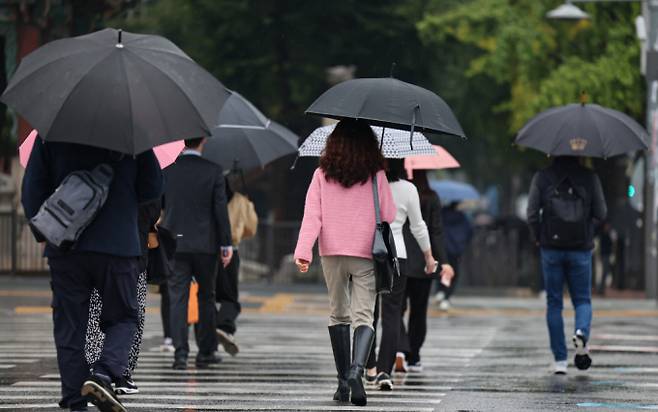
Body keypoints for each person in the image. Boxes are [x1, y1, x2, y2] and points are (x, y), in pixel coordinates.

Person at [22, 139, 163, 412]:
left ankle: (75, 399)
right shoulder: (133, 133)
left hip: (65, 244)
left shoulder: (52, 133)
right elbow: (152, 189)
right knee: (124, 316)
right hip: (118, 245)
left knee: (70, 325)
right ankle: (104, 373)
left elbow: (31, 190)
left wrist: (43, 230)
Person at [294, 119, 396, 407]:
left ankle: (342, 385)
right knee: (364, 316)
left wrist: (304, 251)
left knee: (339, 314)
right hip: (366, 252)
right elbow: (388, 214)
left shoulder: (321, 174)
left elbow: (312, 215)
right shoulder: (376, 174)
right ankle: (357, 370)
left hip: (332, 252)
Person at [364, 159, 441, 391]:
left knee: (368, 311)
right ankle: (384, 371)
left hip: (368, 252)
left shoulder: (367, 184)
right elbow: (418, 226)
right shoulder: (409, 189)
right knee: (392, 313)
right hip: (398, 256)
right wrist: (429, 256)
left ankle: (368, 365)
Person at [527, 156, 607, 375]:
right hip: (581, 247)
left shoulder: (542, 177)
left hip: (550, 247)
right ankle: (581, 332)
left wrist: (537, 236)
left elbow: (532, 213)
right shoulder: (590, 177)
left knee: (554, 303)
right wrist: (588, 232)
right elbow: (601, 213)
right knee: (582, 299)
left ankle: (560, 359)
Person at [161, 137, 233, 370]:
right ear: (203, 141)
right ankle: (205, 351)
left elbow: (159, 203)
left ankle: (180, 354)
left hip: (175, 242)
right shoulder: (214, 172)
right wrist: (226, 244)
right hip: (206, 244)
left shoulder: (168, 170)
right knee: (206, 297)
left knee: (177, 298)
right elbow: (220, 211)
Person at [85, 199, 161, 395]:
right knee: (130, 315)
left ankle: (94, 366)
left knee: (96, 310)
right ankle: (122, 373)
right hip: (133, 254)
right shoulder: (145, 174)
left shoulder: (95, 171)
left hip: (97, 252)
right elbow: (153, 210)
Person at [399, 170, 454, 372]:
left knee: (396, 309)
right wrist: (444, 261)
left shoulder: (397, 191)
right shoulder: (431, 197)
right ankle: (414, 357)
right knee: (419, 312)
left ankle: (400, 348)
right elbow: (436, 231)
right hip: (425, 262)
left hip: (400, 259)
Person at [215, 177, 258, 356]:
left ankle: (208, 332)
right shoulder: (240, 199)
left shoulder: (208, 195)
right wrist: (248, 206)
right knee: (230, 296)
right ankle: (224, 326)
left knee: (206, 295)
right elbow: (251, 228)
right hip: (231, 250)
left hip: (207, 250)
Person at [434, 201, 473, 310]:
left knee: (441, 271)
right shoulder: (462, 218)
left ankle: (440, 291)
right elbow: (469, 231)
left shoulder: (441, 215)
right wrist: (462, 244)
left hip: (442, 248)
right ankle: (446, 297)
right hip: (456, 250)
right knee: (453, 274)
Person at [597, 221, 615, 296]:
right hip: (604, 255)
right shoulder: (603, 235)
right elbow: (601, 246)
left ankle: (602, 288)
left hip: (607, 255)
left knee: (606, 272)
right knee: (603, 272)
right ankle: (600, 289)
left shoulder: (608, 234)